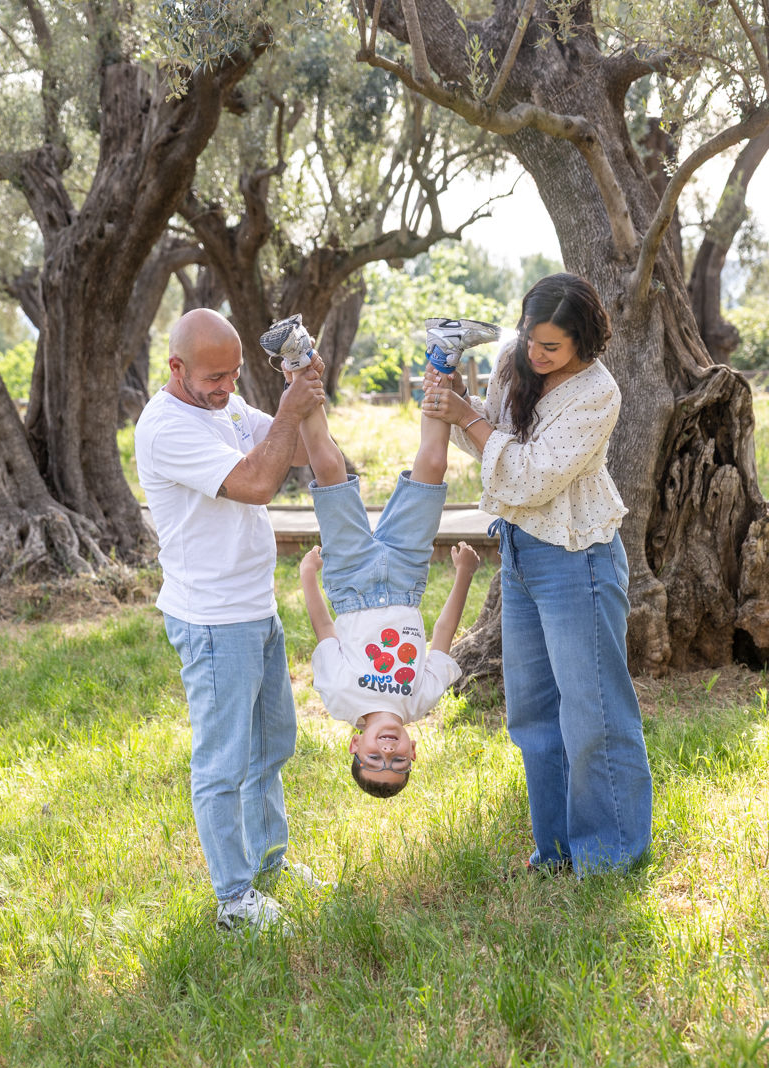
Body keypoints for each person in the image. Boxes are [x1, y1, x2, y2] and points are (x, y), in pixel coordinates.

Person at [422, 273, 652, 875]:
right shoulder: (513, 361)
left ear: (585, 341)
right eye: (531, 339)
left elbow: (530, 474)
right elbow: (494, 452)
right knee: (531, 711)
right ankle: (554, 851)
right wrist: (455, 402)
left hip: (578, 557)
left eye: (552, 346)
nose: (537, 354)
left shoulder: (597, 393)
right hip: (520, 551)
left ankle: (608, 857)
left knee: (594, 712)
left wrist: (468, 417)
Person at [134, 307, 331, 932]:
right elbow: (257, 481)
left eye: (236, 374)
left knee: (271, 745)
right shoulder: (166, 427)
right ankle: (235, 900)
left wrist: (308, 391)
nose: (226, 388)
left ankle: (269, 861)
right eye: (215, 377)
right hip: (213, 621)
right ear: (176, 368)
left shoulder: (229, 409)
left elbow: (298, 448)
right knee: (222, 763)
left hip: (256, 606)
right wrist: (295, 408)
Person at [297, 402, 481, 797]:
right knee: (433, 464)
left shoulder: (340, 698)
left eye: (374, 759)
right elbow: (444, 635)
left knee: (329, 470)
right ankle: (443, 361)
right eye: (397, 761)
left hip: (349, 581)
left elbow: (324, 629)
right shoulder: (422, 700)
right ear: (413, 750)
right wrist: (464, 575)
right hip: (406, 575)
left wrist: (307, 577)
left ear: (354, 746)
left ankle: (298, 371)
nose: (386, 752)